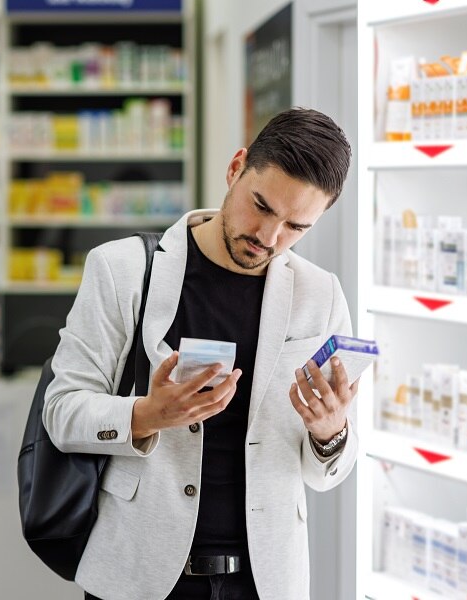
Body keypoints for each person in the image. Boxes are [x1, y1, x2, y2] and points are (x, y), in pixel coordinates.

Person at [43, 107, 358, 600]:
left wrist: (329, 430)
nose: (269, 238)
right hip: (140, 573)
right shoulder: (122, 269)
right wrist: (146, 414)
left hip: (266, 579)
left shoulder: (321, 296)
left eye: (296, 227)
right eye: (261, 206)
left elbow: (330, 473)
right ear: (236, 168)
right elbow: (61, 414)